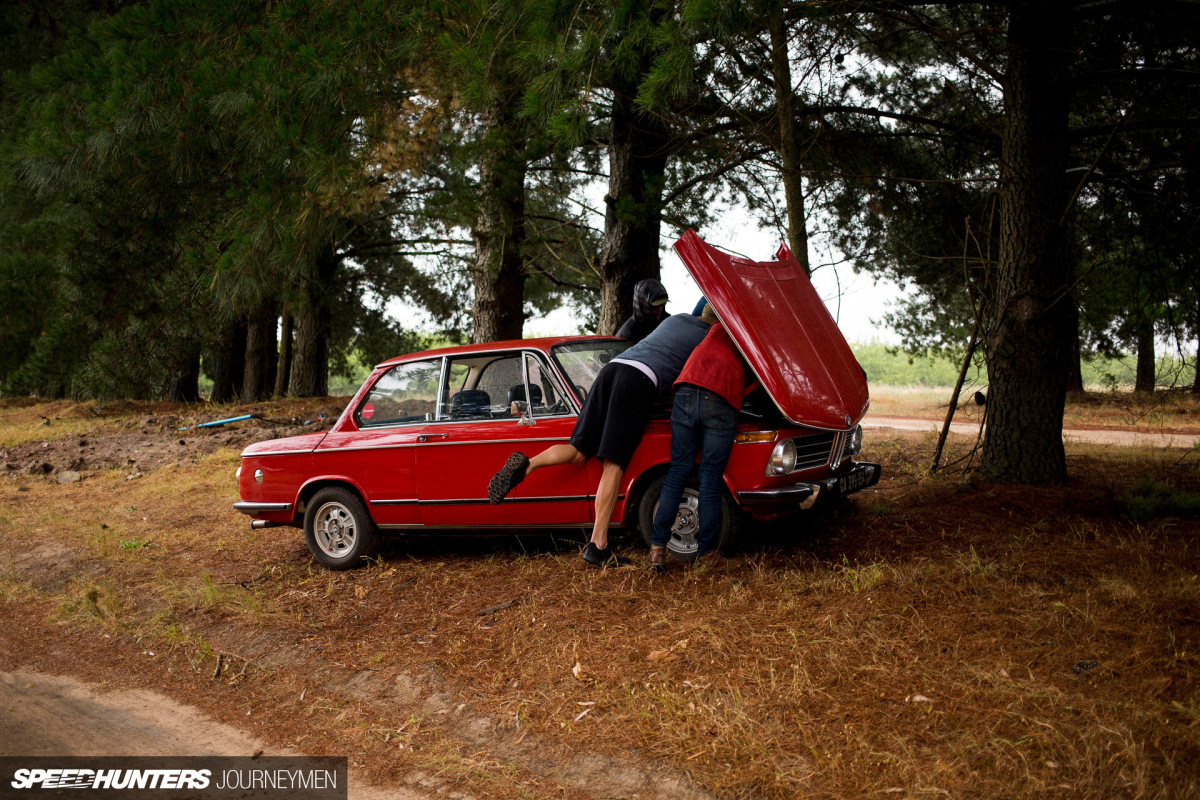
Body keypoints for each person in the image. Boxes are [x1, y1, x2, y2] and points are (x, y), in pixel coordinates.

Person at [488, 305, 714, 566]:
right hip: (637, 381)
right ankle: (598, 545)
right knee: (613, 464)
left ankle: (527, 465)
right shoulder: (706, 338)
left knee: (578, 451)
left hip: (610, 370)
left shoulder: (678, 319)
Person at [649, 304, 755, 569]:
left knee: (678, 470)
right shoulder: (748, 334)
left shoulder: (714, 329)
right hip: (720, 394)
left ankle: (657, 549)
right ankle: (707, 555)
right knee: (709, 475)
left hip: (686, 389)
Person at [615, 279, 669, 343]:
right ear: (643, 305)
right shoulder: (626, 335)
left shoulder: (668, 324)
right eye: (655, 305)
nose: (660, 309)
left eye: (662, 304)